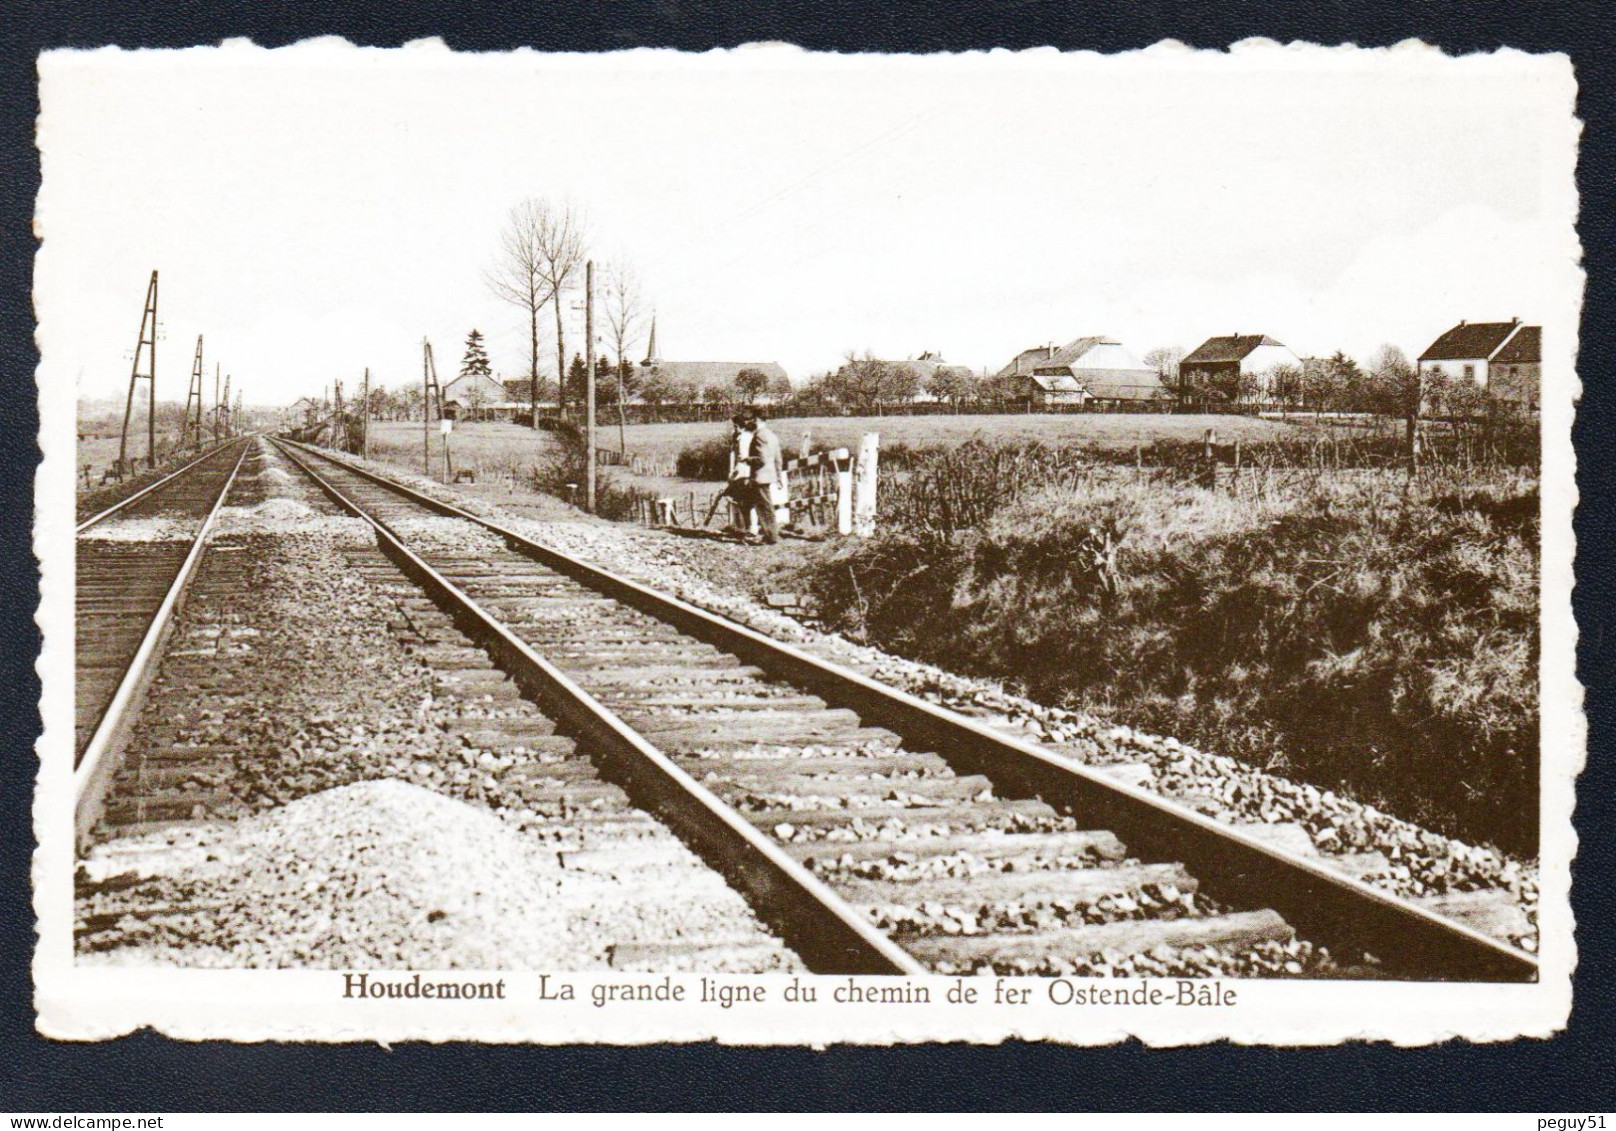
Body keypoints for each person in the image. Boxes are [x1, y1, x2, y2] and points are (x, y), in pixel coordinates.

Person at [734, 406, 781, 544]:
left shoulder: (760, 435)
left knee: (764, 507)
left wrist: (745, 459)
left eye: (751, 419)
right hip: (768, 475)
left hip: (760, 476)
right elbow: (778, 458)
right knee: (765, 506)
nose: (749, 422)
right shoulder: (771, 435)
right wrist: (778, 476)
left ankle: (771, 536)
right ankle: (770, 535)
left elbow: (761, 459)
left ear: (756, 419)